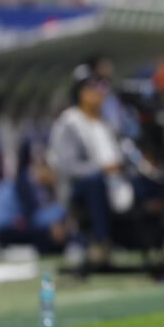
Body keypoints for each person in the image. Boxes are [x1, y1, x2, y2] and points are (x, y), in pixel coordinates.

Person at [48, 65, 133, 266]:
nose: (98, 93)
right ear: (80, 92)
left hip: (114, 181)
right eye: (92, 88)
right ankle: (100, 242)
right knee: (95, 182)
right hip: (80, 187)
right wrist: (103, 169)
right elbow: (67, 167)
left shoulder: (107, 123)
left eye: (101, 87)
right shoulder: (69, 123)